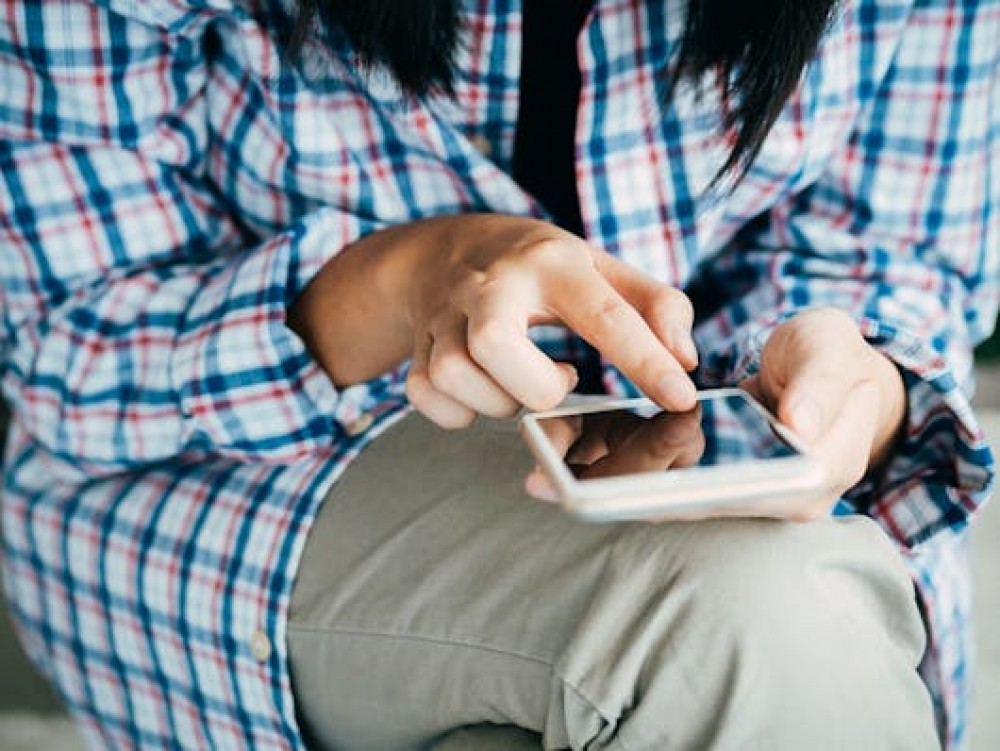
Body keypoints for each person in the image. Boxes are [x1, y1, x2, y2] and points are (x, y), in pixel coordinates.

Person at [0, 0, 996, 748]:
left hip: (665, 443)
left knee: (769, 618)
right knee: (748, 618)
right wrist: (405, 283)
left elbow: (895, 251)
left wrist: (861, 389)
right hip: (233, 467)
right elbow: (62, 342)